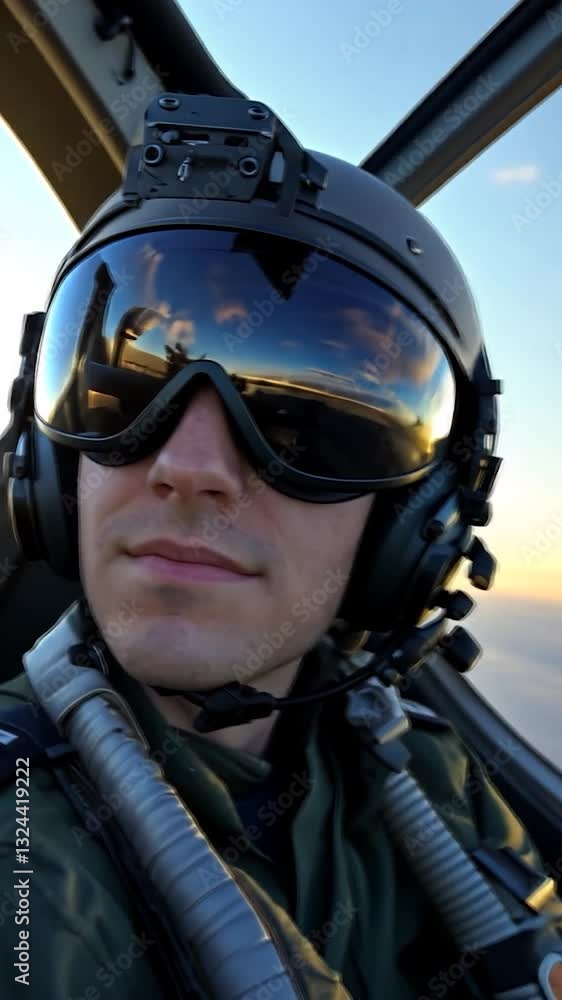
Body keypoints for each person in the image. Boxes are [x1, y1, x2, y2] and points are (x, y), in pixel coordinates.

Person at [0, 91, 561, 999]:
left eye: (304, 421)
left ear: (419, 517)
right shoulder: (22, 864)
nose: (188, 467)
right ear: (51, 460)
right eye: (130, 388)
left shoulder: (423, 766)